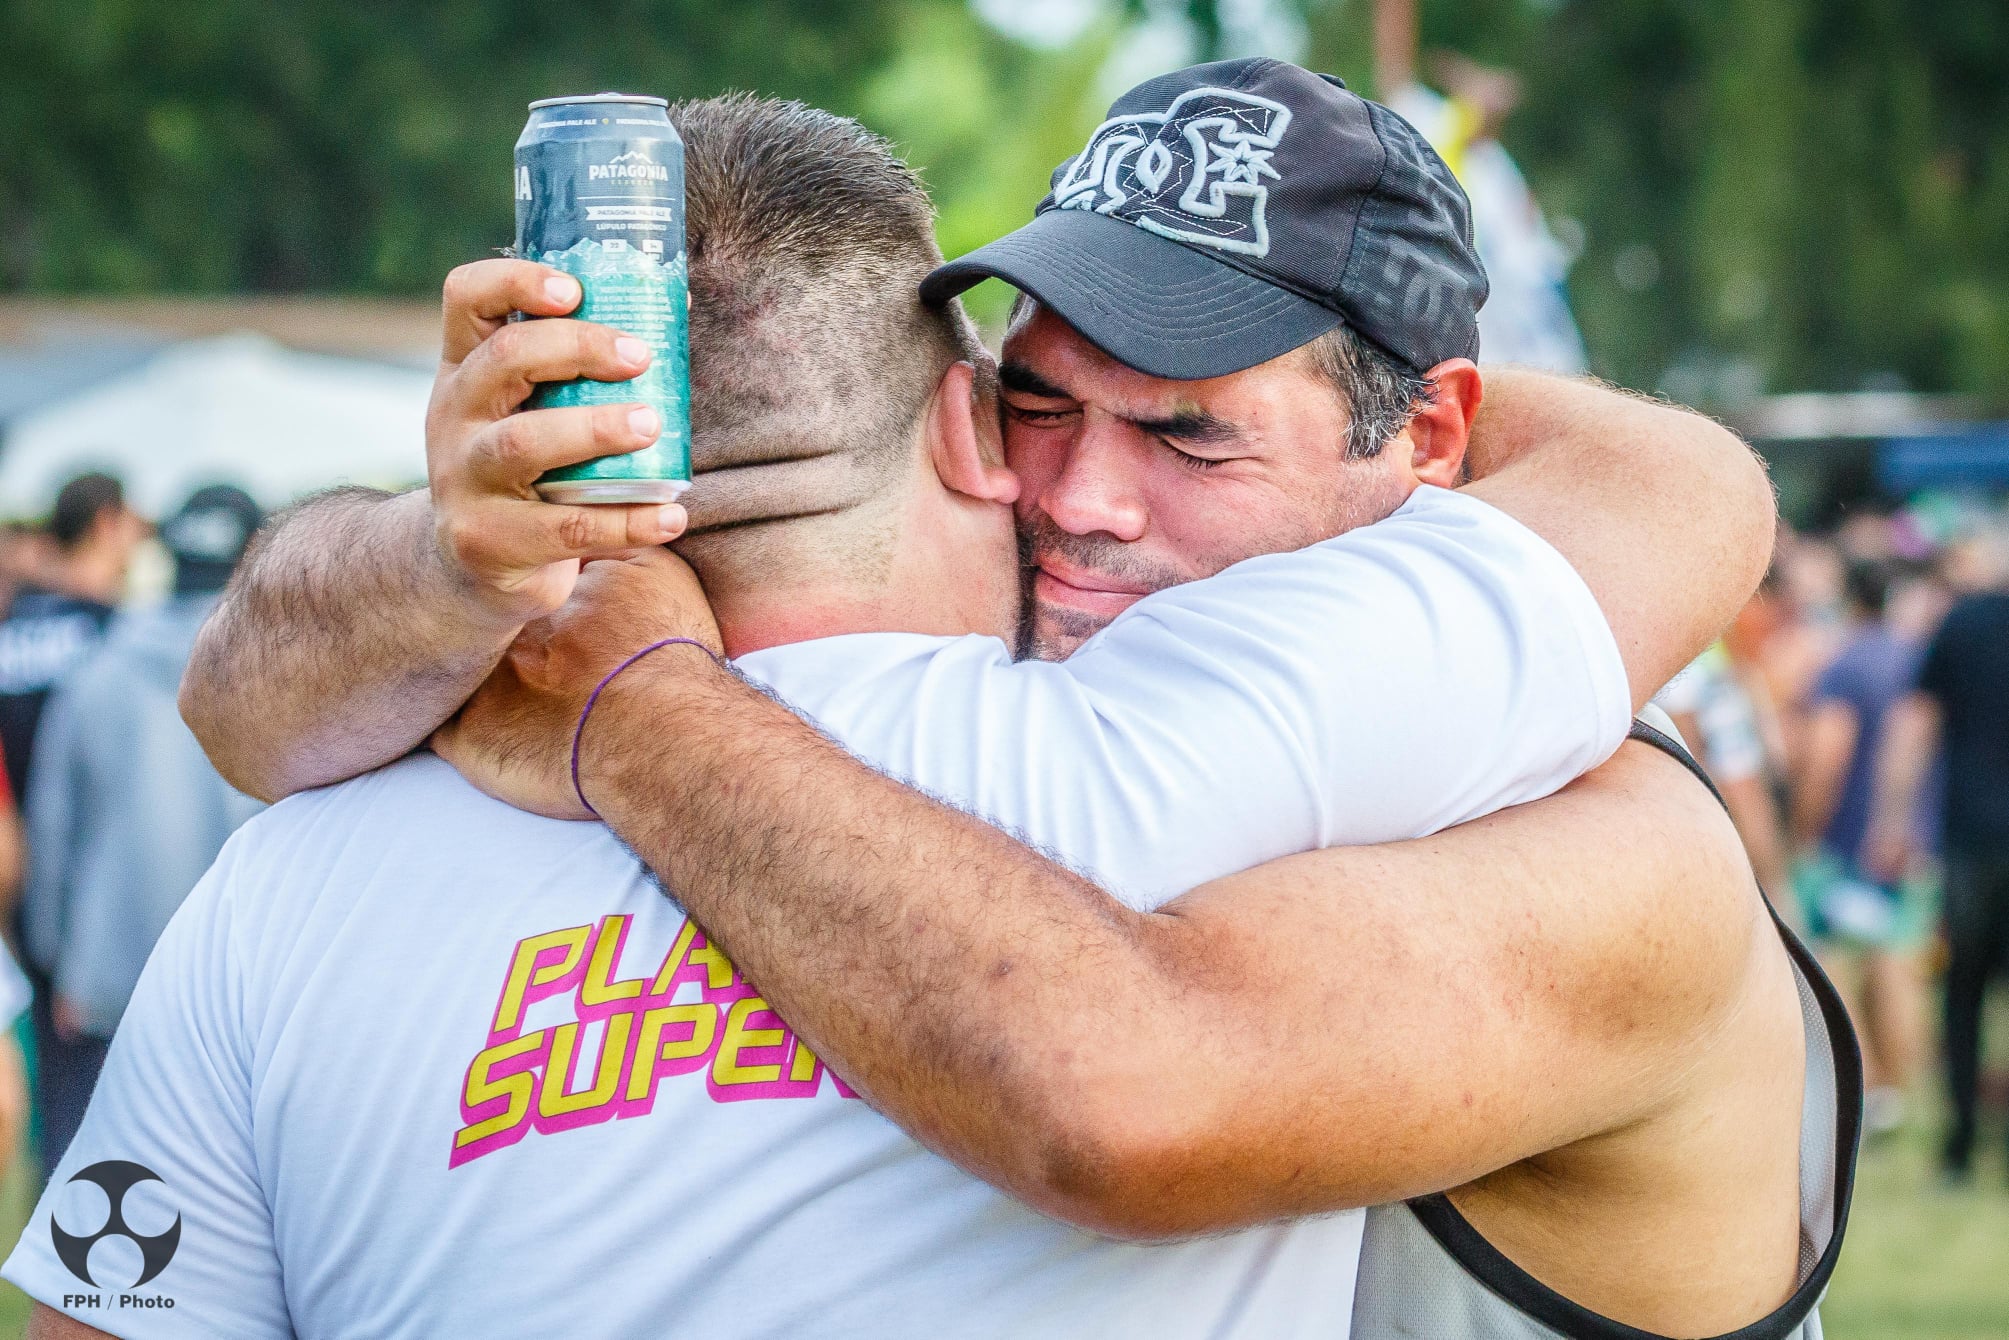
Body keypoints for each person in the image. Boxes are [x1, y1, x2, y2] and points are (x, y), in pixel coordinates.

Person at [16, 78, 1824, 1339]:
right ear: (961, 413)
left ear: (1433, 442)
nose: (1086, 499)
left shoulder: (1553, 819)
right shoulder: (1169, 748)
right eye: (1040, 406)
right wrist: (455, 558)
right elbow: (242, 686)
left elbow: (1121, 1093)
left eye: (1189, 430)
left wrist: (625, 690)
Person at [17, 486, 265, 1166]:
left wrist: (56, 961)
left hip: (107, 978)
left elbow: (54, 830)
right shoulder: (284, 681)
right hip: (243, 990)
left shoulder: (97, 672)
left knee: (100, 1198)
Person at [0, 471, 147, 1175]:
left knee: (46, 1093)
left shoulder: (10, 625)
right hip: (95, 895)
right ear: (107, 523)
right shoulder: (115, 636)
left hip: (17, 889)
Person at [1870, 535, 2009, 1183]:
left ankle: (1957, 1145)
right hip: (1971, 841)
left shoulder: (1963, 621)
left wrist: (1891, 821)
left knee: (1963, 992)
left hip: (1970, 843)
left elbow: (1913, 724)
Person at [1790, 560, 1932, 1134]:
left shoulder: (1844, 666)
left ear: (1849, 602)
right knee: (1898, 963)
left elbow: (1828, 755)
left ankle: (1866, 1086)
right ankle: (1901, 1088)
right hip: (1910, 839)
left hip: (1847, 844)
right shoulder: (1914, 659)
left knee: (1837, 966)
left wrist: (1804, 827)